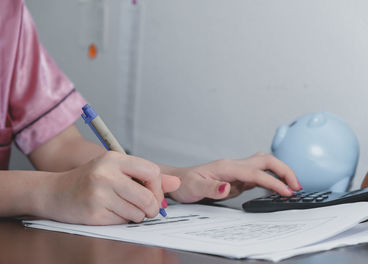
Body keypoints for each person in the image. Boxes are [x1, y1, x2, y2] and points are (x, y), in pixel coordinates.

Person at [0, 0, 301, 225]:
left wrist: (174, 178)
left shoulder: (10, 13)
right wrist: (45, 192)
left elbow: (57, 144)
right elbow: (53, 180)